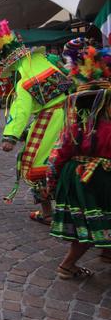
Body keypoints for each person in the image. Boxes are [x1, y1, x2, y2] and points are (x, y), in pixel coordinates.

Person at [0, 20, 71, 224]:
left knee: (33, 162)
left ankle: (48, 212)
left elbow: (20, 110)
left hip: (51, 119)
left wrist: (10, 136)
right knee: (69, 159)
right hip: (73, 113)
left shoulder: (25, 81)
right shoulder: (50, 65)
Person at [47, 45, 111, 279]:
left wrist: (52, 182)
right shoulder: (103, 128)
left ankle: (106, 251)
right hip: (93, 180)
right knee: (89, 226)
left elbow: (57, 156)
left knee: (92, 222)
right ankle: (67, 266)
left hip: (74, 178)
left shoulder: (75, 128)